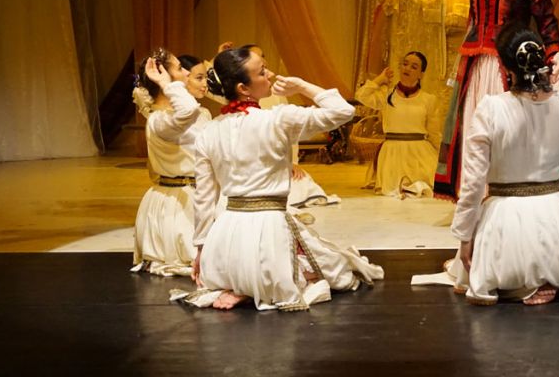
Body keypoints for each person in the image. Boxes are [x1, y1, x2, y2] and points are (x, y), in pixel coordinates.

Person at [173, 47, 382, 311]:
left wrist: (203, 249)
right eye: (262, 72)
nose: (270, 75)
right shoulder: (278, 119)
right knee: (337, 271)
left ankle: (241, 283)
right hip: (269, 229)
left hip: (226, 235)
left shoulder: (209, 131)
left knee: (317, 261)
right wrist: (301, 86)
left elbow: (204, 198)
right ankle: (256, 284)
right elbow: (343, 111)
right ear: (243, 88)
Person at [425, 0, 559, 200]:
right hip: (477, 67)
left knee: (509, 128)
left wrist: (555, 53)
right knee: (475, 128)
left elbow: (545, 18)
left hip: (510, 65)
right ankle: (476, 196)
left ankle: (510, 192)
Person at [450, 28, 559, 305]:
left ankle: (522, 275)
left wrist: (465, 237)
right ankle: (553, 271)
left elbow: (473, 183)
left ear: (505, 66)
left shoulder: (491, 108)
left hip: (506, 218)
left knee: (485, 265)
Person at [213, 41, 337, 207]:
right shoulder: (217, 125)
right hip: (240, 182)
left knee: (298, 183)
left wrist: (292, 162)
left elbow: (291, 136)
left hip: (271, 169)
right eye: (260, 68)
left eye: (262, 57)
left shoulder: (277, 106)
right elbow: (340, 111)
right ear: (242, 86)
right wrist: (222, 57)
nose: (268, 71)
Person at [130, 50, 211, 276]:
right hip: (177, 204)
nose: (185, 72)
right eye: (179, 68)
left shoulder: (193, 113)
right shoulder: (160, 120)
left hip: (199, 196)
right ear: (162, 76)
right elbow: (188, 110)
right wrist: (167, 84)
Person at [355, 51, 440, 198]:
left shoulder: (428, 99)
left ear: (421, 74)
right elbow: (361, 96)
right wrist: (380, 79)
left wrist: (441, 157)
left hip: (420, 152)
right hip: (392, 152)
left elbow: (434, 132)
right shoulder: (386, 95)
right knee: (395, 188)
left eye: (414, 67)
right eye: (405, 64)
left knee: (428, 185)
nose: (407, 68)